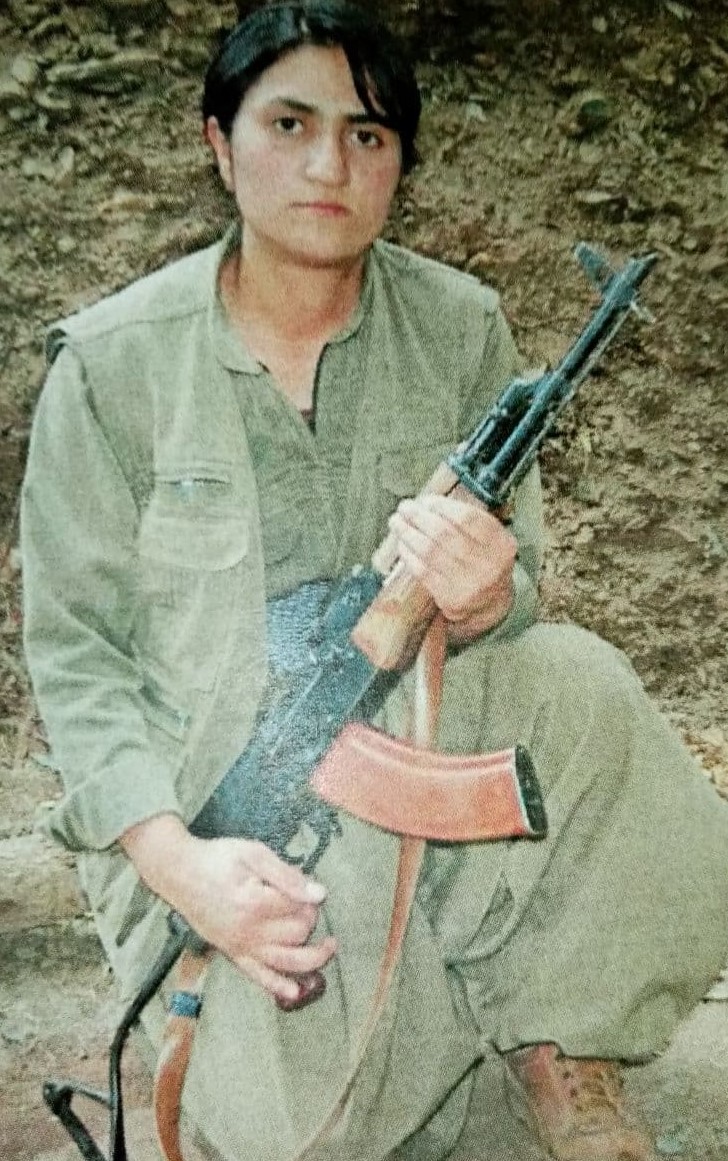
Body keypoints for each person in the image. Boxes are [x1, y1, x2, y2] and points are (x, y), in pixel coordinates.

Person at [20, 3, 728, 1160]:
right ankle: (429, 1003)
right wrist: (178, 865)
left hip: (417, 730)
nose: (328, 166)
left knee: (577, 683)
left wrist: (488, 596)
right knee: (322, 1126)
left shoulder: (459, 326)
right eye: (288, 124)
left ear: (399, 160)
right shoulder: (113, 365)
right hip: (219, 807)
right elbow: (76, 655)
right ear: (218, 143)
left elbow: (520, 591)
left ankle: (562, 1041)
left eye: (366, 135)